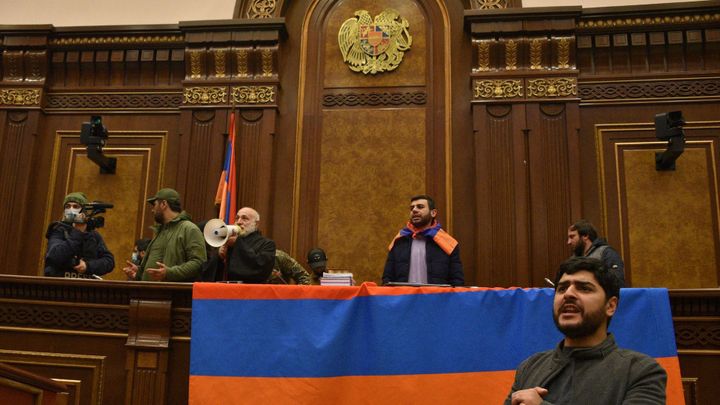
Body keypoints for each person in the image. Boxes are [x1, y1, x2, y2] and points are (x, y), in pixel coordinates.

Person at [505, 257, 666, 405]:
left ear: (610, 306)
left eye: (584, 288)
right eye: (561, 288)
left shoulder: (641, 371)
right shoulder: (530, 367)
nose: (568, 294)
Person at [122, 188, 206, 281]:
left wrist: (169, 273)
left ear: (164, 204)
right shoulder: (161, 231)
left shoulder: (189, 229)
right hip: (149, 292)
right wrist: (140, 273)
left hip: (172, 293)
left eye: (155, 205)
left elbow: (198, 262)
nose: (152, 210)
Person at [382, 194, 464, 286]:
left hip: (436, 298)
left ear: (433, 213)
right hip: (404, 298)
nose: (414, 210)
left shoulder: (448, 243)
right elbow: (387, 279)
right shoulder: (399, 240)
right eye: (412, 208)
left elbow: (457, 281)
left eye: (420, 207)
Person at [44, 192, 115, 278]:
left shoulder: (92, 234)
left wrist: (87, 266)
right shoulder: (58, 230)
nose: (71, 209)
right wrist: (78, 232)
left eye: (76, 206)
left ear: (83, 210)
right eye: (67, 206)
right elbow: (54, 256)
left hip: (85, 285)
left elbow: (109, 261)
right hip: (60, 283)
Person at [218, 207, 275, 283]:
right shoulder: (228, 241)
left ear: (256, 224)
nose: (239, 222)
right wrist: (220, 256)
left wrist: (237, 244)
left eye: (244, 219)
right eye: (237, 218)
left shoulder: (267, 244)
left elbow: (260, 269)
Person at [567, 219, 625, 287]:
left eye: (572, 237)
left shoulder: (606, 253)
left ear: (585, 236)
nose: (568, 242)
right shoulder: (573, 259)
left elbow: (617, 282)